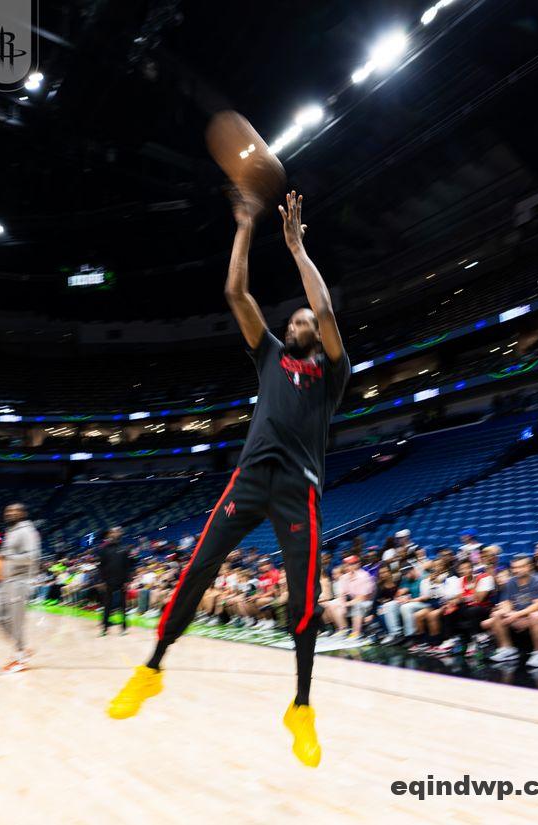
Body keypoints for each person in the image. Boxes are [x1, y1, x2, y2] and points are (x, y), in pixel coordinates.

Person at [108, 190, 350, 769]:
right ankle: (152, 668)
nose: (301, 323)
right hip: (250, 479)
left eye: (307, 321)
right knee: (198, 569)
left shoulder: (333, 371)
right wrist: (244, 227)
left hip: (298, 488)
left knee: (304, 598)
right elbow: (236, 295)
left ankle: (301, 707)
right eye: (294, 320)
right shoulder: (269, 355)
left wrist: (296, 249)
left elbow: (326, 309)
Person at [0, 503, 41, 673]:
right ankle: (22, 648)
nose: (10, 513)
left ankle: (20, 659)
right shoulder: (11, 531)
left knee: (16, 622)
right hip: (7, 581)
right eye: (8, 511)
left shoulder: (27, 531)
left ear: (23, 513)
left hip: (20, 581)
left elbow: (32, 557)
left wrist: (8, 556)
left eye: (15, 511)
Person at [482, 555, 538, 667]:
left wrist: (517, 615)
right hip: (519, 615)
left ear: (529, 566)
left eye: (521, 567)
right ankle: (507, 650)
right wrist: (507, 612)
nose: (517, 570)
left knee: (536, 616)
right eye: (514, 567)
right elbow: (506, 602)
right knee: (497, 614)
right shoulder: (511, 582)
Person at [97, 527, 131, 636]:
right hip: (108, 581)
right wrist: (102, 581)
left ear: (120, 534)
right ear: (109, 534)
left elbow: (127, 566)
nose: (114, 533)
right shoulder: (104, 549)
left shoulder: (124, 549)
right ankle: (104, 629)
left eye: (116, 531)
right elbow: (101, 566)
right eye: (112, 532)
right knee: (107, 605)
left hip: (121, 581)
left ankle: (123, 628)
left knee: (123, 606)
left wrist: (127, 581)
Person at [338, 555, 375, 639]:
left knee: (358, 605)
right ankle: (342, 630)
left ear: (358, 564)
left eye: (351, 564)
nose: (349, 566)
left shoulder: (364, 575)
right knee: (333, 604)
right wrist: (343, 603)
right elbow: (341, 594)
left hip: (367, 602)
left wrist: (347, 604)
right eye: (347, 564)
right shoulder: (344, 577)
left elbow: (363, 597)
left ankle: (356, 633)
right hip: (352, 601)